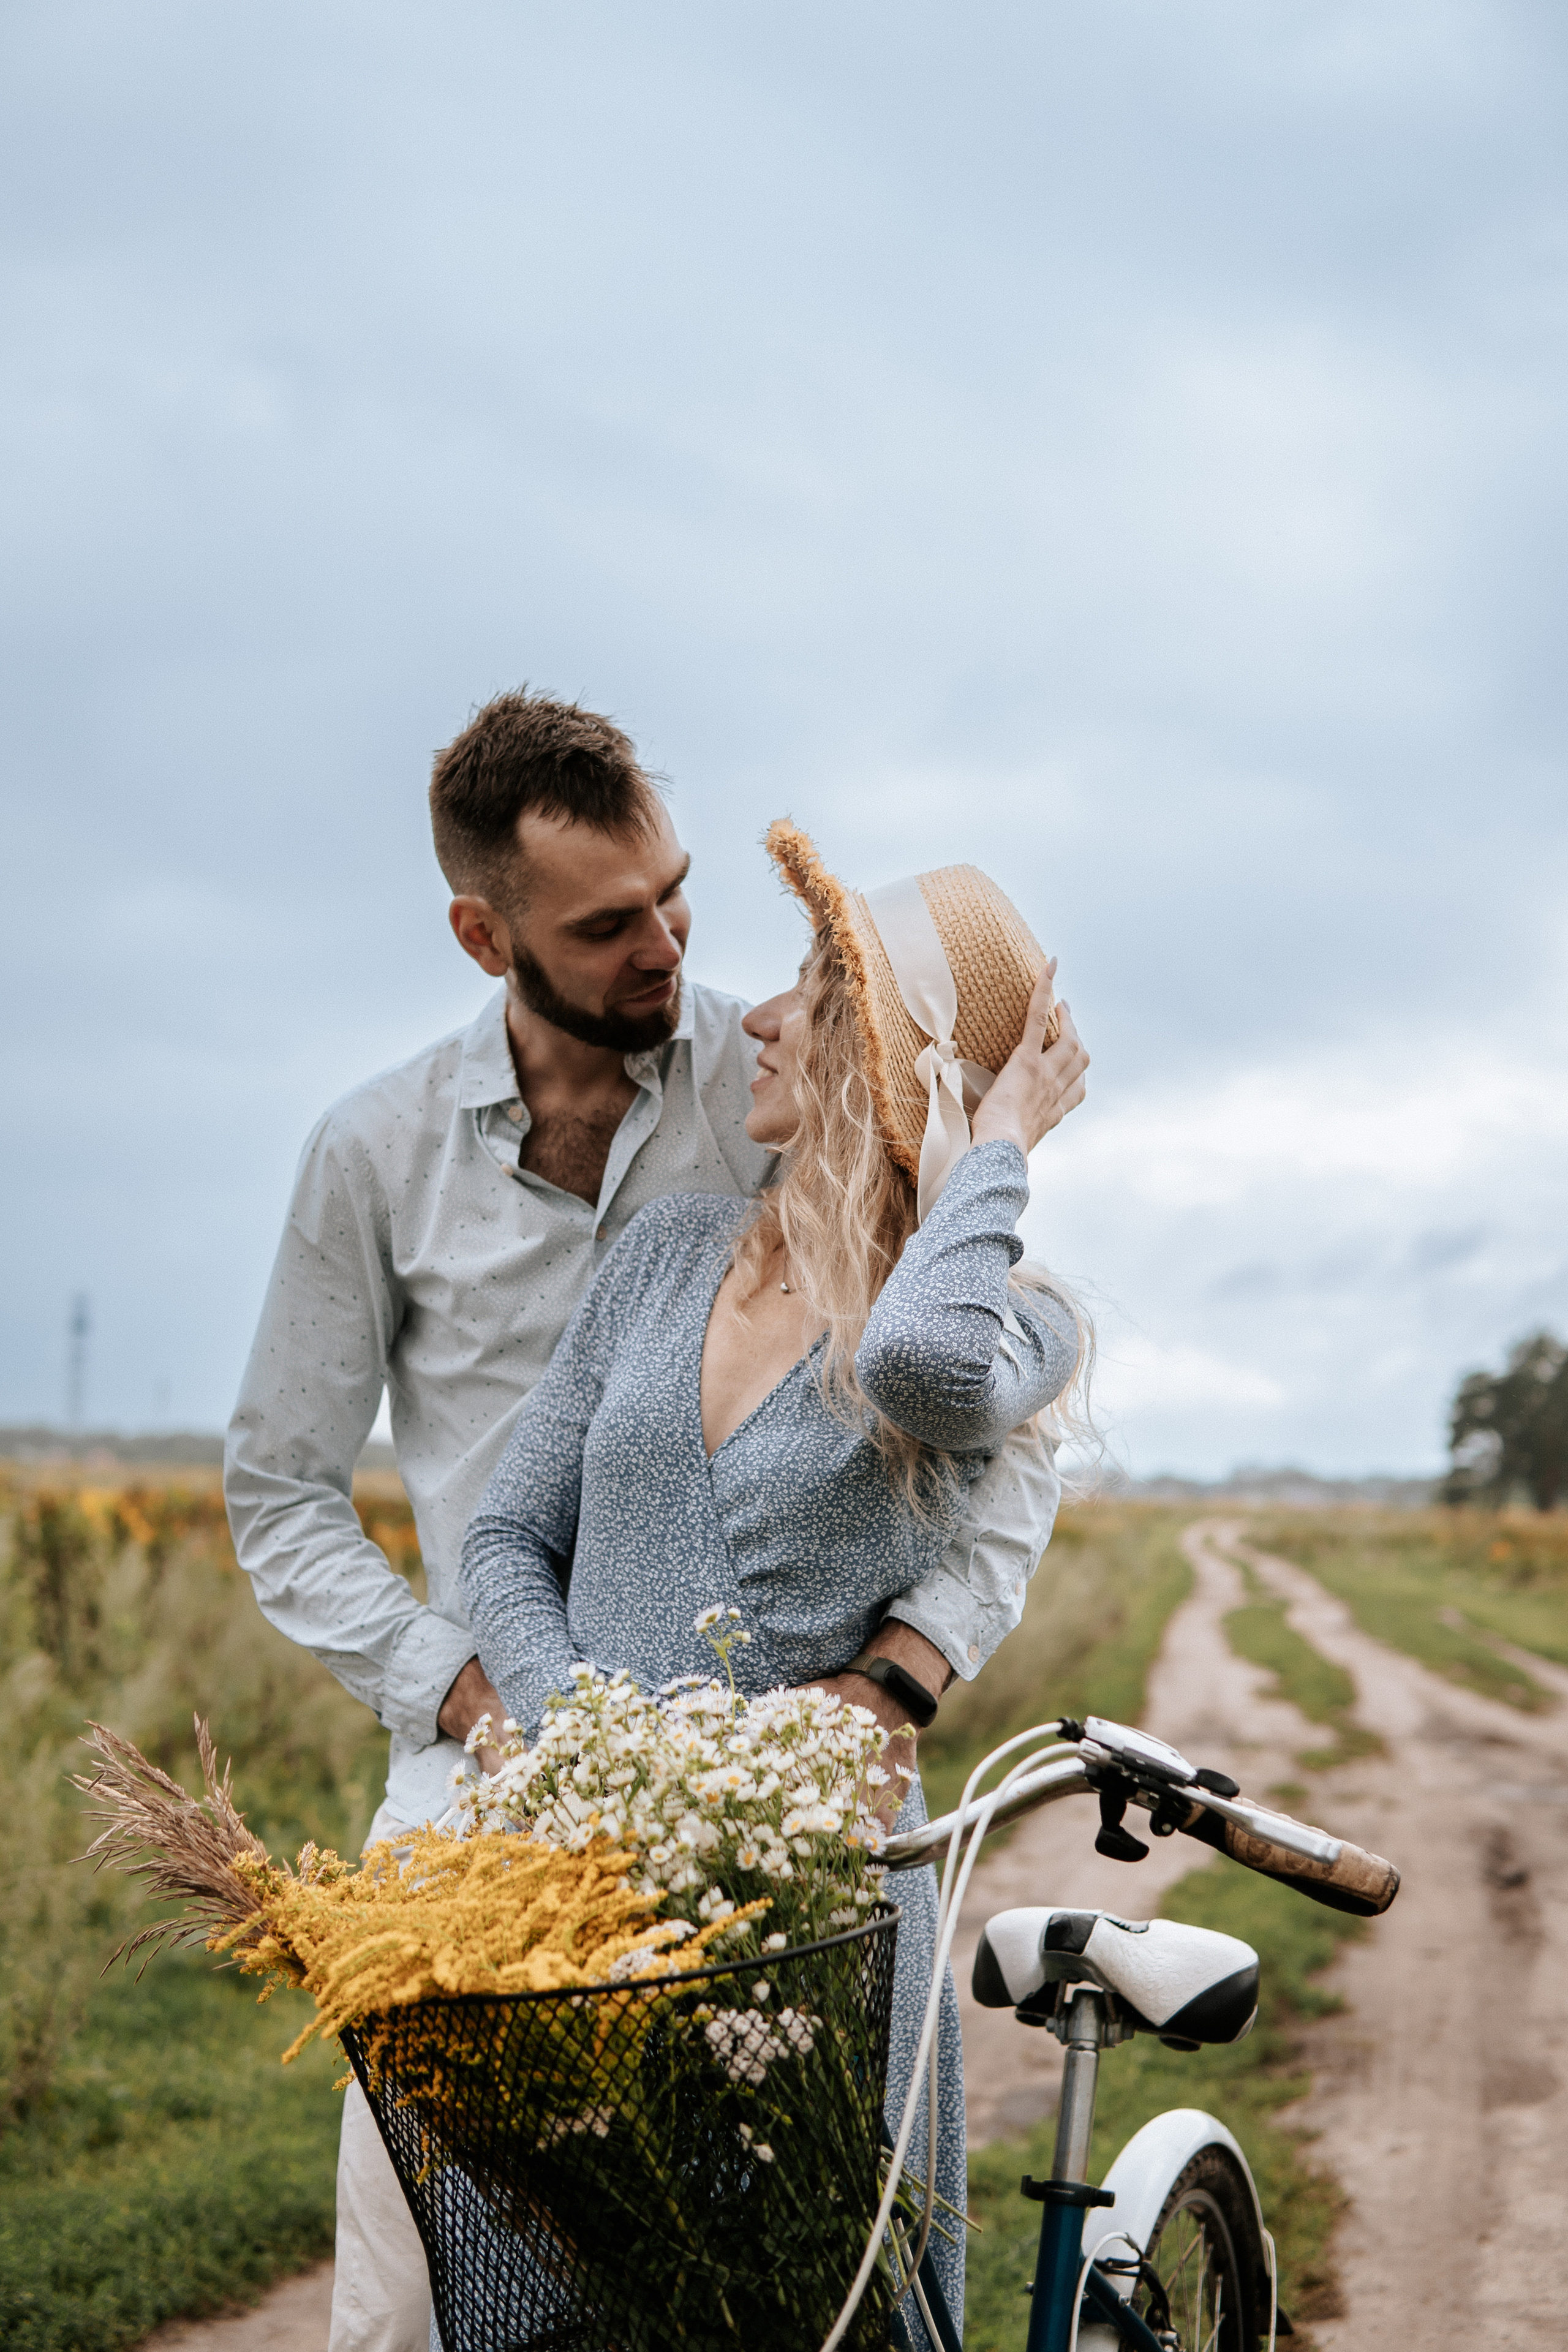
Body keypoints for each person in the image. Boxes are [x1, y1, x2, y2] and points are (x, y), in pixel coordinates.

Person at [224, 697, 1082, 2352]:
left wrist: (895, 1684)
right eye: (611, 925)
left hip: (790, 1805)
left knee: (792, 2275)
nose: (676, 953)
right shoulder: (378, 1156)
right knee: (427, 2295)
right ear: (487, 936)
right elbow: (284, 1492)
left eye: (677, 898)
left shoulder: (751, 1102)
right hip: (485, 1747)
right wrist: (498, 1708)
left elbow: (980, 1411)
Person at [459, 821, 1091, 2352]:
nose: (748, 1012)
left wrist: (989, 1139)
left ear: (890, 1062)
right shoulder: (666, 1252)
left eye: (811, 991)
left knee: (801, 2307)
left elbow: (916, 1364)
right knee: (565, 2309)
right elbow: (501, 1541)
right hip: (583, 1916)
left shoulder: (1018, 1321)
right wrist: (589, 1758)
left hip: (812, 1928)